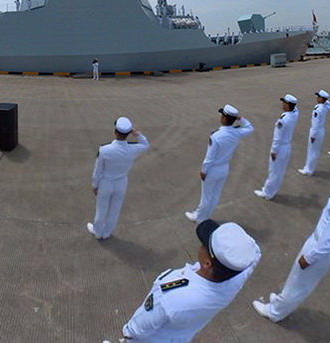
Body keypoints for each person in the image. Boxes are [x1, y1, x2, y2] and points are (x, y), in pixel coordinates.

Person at [251, 143, 330, 322]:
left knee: (299, 282)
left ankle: (275, 312)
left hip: (320, 247)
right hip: (327, 245)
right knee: (296, 281)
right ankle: (282, 300)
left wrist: (311, 256)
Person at [121, 219, 260, 342]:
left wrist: (128, 332)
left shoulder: (171, 295)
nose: (201, 245)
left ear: (207, 264)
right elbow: (255, 254)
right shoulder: (236, 277)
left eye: (205, 245)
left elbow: (138, 328)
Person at [186, 105, 254, 223]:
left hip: (212, 169)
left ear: (224, 118)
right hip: (224, 168)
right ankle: (206, 216)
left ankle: (198, 217)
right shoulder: (237, 132)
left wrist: (204, 170)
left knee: (206, 196)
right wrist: (240, 119)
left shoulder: (216, 135)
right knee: (215, 195)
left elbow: (210, 157)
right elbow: (250, 128)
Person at [88, 117, 150, 240]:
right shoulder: (133, 149)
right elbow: (145, 144)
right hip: (121, 182)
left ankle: (97, 231)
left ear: (115, 132)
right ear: (128, 133)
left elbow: (98, 170)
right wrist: (135, 133)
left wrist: (95, 185)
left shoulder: (104, 149)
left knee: (101, 209)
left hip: (106, 183)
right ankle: (107, 233)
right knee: (115, 210)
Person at [255, 94, 299, 200]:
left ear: (288, 105)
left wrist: (274, 150)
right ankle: (272, 191)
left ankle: (267, 193)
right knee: (279, 171)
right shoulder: (295, 114)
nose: (282, 104)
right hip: (287, 146)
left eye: (284, 102)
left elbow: (277, 138)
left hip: (280, 148)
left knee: (273, 171)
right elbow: (295, 108)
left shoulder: (283, 120)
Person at [298, 90, 330, 176]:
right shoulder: (325, 106)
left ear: (322, 99)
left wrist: (313, 135)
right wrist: (325, 99)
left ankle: (308, 169)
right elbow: (329, 104)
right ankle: (309, 168)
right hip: (320, 130)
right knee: (314, 150)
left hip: (316, 131)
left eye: (319, 97)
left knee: (312, 150)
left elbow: (315, 124)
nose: (317, 98)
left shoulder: (319, 109)